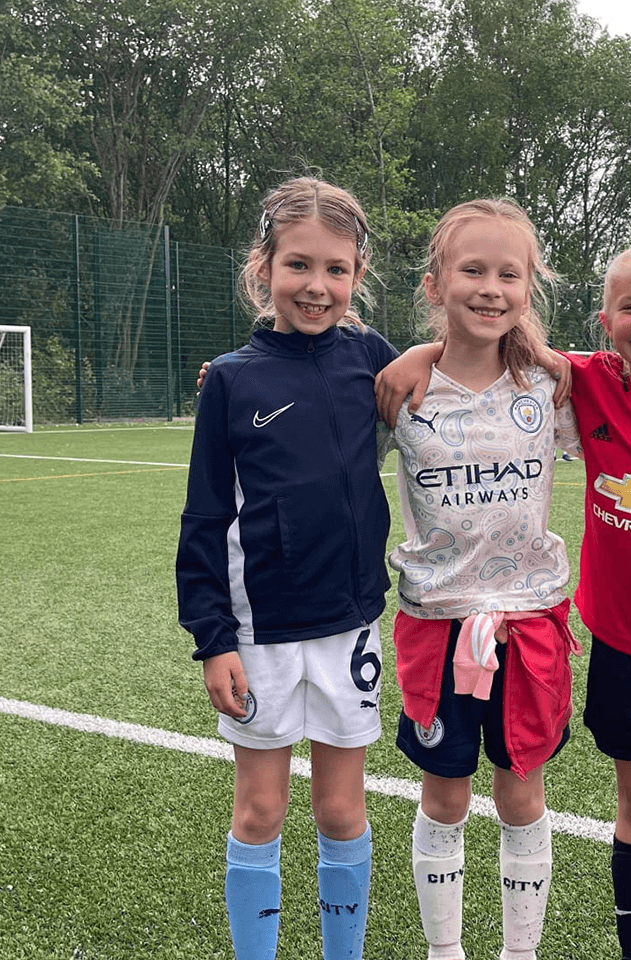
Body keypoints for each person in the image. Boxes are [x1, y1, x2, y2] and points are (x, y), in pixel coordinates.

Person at [376, 237, 631, 960]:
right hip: (623, 653)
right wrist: (423, 352)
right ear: (606, 320)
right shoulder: (592, 384)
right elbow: (502, 348)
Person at [177, 177, 396, 960]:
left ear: (358, 275)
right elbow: (204, 518)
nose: (317, 285)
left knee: (342, 812)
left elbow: (452, 386)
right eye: (298, 264)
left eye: (337, 269)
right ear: (263, 266)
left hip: (350, 626)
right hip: (258, 632)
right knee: (260, 812)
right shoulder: (233, 380)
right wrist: (213, 639)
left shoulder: (373, 358)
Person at [382, 199, 581, 960]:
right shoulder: (401, 390)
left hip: (530, 621)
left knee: (521, 793)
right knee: (445, 795)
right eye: (473, 270)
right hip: (435, 620)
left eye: (509, 273)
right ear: (435, 285)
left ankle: (519, 952)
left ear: (529, 288)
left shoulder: (551, 388)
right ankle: (445, 953)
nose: (490, 287)